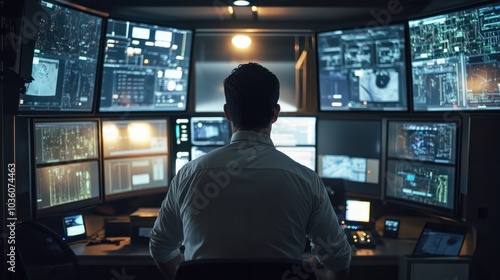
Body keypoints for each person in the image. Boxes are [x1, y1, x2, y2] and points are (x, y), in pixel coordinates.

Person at [149, 62, 351, 279]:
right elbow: (338, 259)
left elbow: (161, 247)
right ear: (275, 114)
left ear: (227, 113)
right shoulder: (306, 179)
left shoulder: (189, 175)